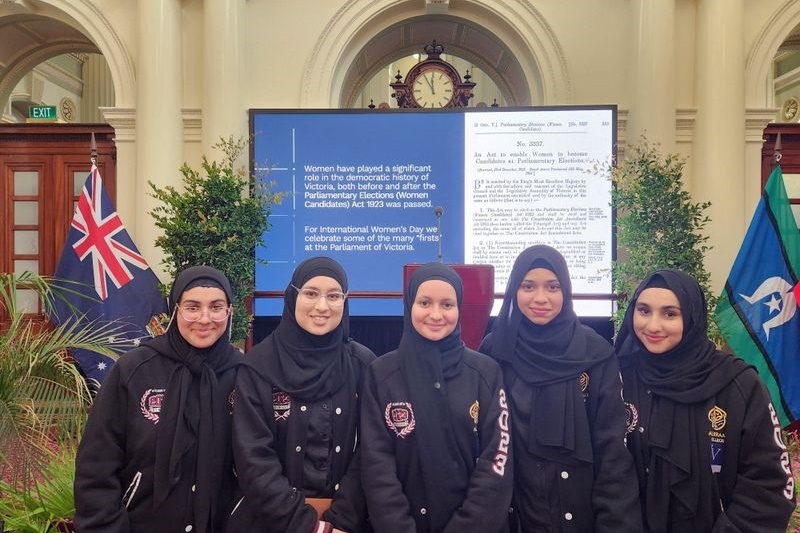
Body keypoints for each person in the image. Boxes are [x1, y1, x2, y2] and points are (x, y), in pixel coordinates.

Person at [615, 268, 795, 532]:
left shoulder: (738, 384)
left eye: (669, 313)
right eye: (643, 311)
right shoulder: (619, 377)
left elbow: (769, 485)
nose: (653, 325)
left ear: (692, 317)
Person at [479, 244, 641, 532]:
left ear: (565, 290)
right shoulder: (496, 349)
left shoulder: (593, 353)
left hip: (579, 512)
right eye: (528, 286)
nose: (541, 298)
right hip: (517, 512)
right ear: (514, 289)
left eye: (552, 287)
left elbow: (611, 451)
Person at [74, 265, 242, 533]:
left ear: (229, 312)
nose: (205, 318)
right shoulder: (134, 370)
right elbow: (97, 464)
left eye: (216, 306)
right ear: (175, 310)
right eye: (192, 306)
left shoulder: (243, 375)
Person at [361, 262, 513, 533]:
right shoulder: (382, 374)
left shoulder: (485, 373)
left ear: (459, 308)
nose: (435, 314)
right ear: (409, 306)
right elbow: (377, 467)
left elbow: (497, 462)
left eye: (447, 304)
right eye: (425, 303)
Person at [227, 256, 375, 533]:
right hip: (270, 523)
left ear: (345, 301)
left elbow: (372, 451)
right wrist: (308, 527)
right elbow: (254, 459)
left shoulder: (362, 365)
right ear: (292, 297)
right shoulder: (258, 367)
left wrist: (340, 521)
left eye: (333, 296)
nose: (322, 306)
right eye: (310, 293)